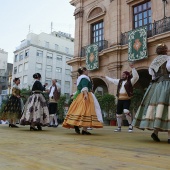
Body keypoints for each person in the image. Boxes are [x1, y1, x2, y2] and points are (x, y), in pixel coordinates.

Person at [132, 44, 170, 143]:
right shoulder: (168, 58)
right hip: (166, 84)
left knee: (156, 107)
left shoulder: (154, 61)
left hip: (155, 86)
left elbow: (152, 75)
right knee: (167, 107)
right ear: (166, 50)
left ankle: (155, 132)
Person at [62, 67, 103, 135]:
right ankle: (84, 130)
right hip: (86, 95)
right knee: (87, 112)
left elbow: (80, 88)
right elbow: (84, 87)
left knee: (80, 111)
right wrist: (86, 94)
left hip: (80, 96)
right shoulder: (84, 78)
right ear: (84, 70)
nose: (88, 71)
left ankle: (77, 124)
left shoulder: (80, 78)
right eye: (87, 70)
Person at [102, 63, 139, 132]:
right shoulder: (120, 82)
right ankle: (119, 127)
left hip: (127, 99)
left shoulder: (130, 81)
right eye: (122, 75)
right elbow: (112, 80)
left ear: (127, 76)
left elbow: (136, 77)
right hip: (120, 99)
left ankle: (130, 125)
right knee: (118, 114)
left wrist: (133, 68)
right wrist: (106, 77)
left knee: (126, 111)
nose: (122, 76)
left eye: (124, 75)